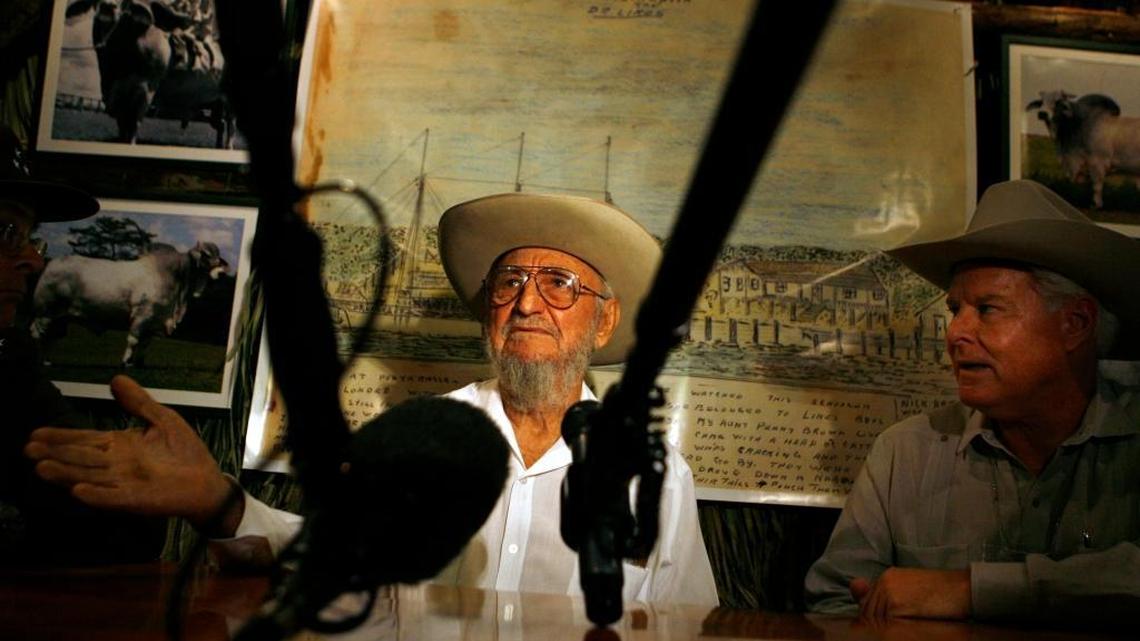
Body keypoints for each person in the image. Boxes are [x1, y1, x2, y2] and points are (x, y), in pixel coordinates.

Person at [27, 192, 719, 605]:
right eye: (509, 281)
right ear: (487, 312)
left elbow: (689, 626)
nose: (528, 302)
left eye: (559, 284)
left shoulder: (656, 478)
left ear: (602, 320)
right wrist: (220, 502)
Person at [804, 179, 1140, 625]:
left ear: (1075, 324)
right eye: (955, 309)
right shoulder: (904, 453)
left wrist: (969, 590)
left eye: (987, 309)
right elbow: (833, 606)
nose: (955, 333)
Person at [0, 127, 164, 564]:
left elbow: (123, 521)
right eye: (6, 231)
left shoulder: (9, 360)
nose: (33, 260)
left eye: (29, 235)